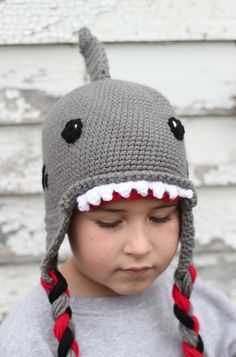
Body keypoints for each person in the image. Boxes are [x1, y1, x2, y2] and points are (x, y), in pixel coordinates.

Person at [0, 26, 235, 357]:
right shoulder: (28, 341)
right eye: (109, 222)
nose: (140, 246)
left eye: (161, 217)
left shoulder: (213, 315)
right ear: (63, 221)